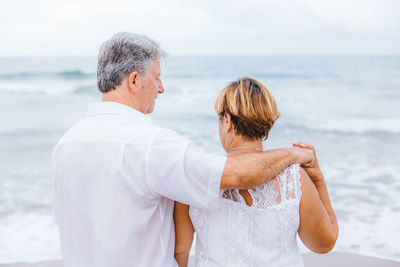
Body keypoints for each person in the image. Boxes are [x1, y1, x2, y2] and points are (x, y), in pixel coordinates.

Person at [52, 33, 314, 267]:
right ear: (134, 80)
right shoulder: (151, 145)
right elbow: (236, 174)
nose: (161, 88)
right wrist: (294, 155)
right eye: (156, 77)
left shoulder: (65, 145)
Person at [174, 77, 339, 267]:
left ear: (227, 121)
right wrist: (317, 177)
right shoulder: (294, 180)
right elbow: (324, 243)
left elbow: (180, 251)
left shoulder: (197, 177)